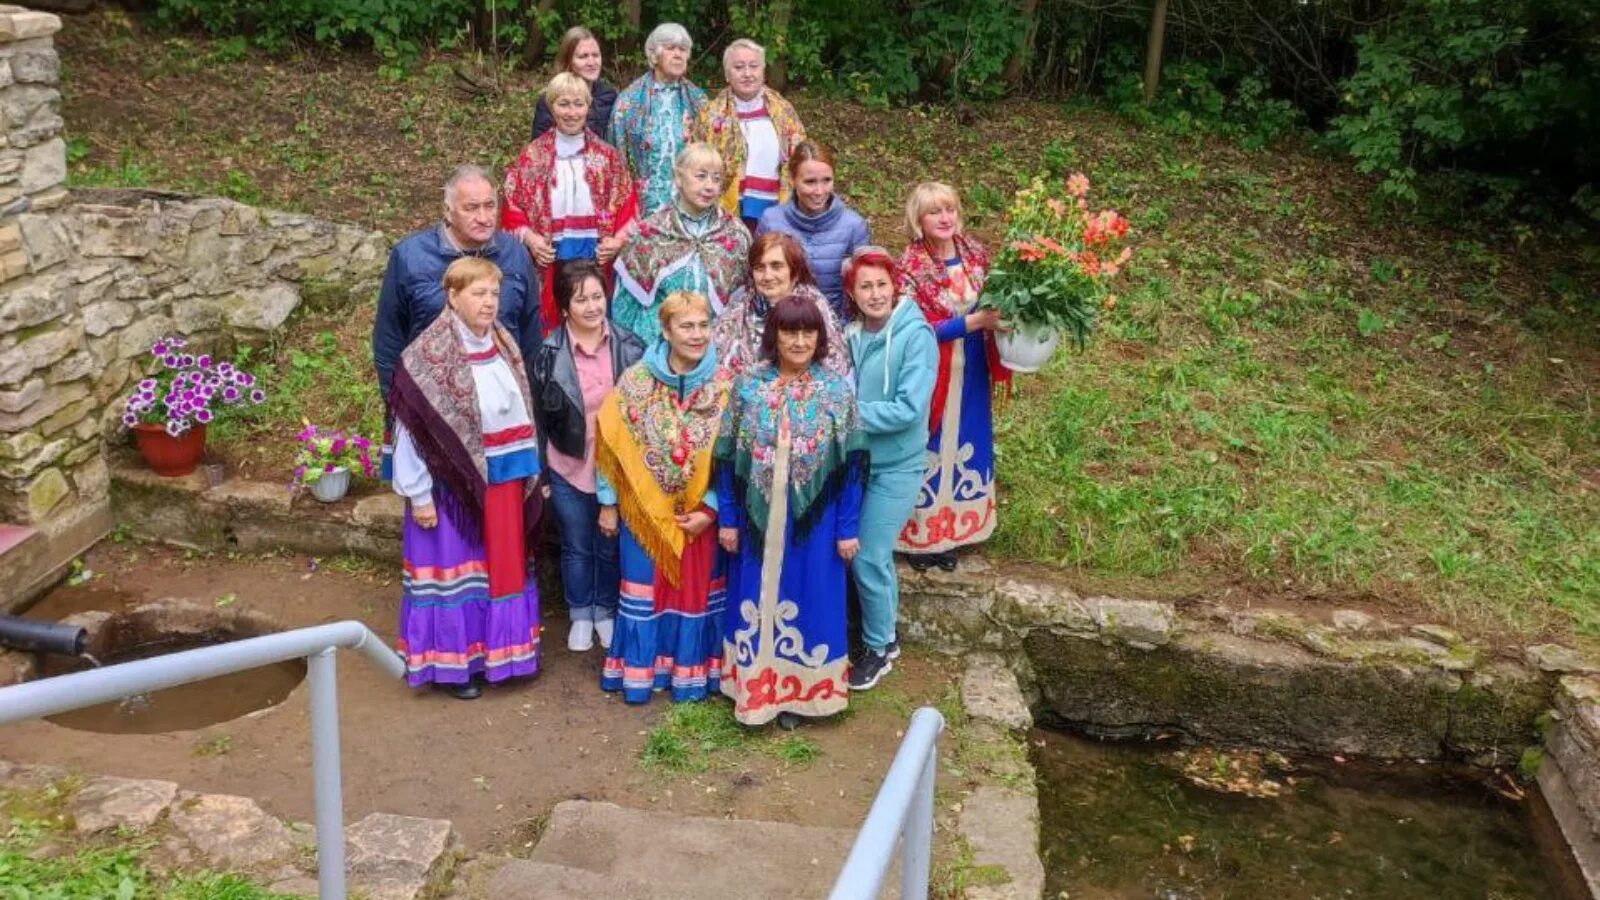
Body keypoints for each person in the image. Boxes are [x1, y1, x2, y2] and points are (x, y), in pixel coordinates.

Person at [388, 257, 543, 700]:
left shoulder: (503, 343)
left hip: (505, 478)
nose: (489, 302)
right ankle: (455, 669)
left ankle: (503, 657)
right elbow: (409, 431)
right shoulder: (426, 356)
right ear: (452, 297)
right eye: (478, 293)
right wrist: (419, 495)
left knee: (500, 572)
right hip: (452, 489)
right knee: (459, 574)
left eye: (494, 293)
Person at [716, 296, 866, 729]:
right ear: (774, 335)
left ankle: (802, 697)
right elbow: (726, 457)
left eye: (808, 332)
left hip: (814, 524)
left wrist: (847, 528)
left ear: (820, 337)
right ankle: (754, 691)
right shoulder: (748, 386)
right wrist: (727, 516)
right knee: (755, 598)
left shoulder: (836, 391)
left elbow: (852, 466)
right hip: (754, 517)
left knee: (809, 596)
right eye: (789, 331)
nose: (799, 341)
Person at [597, 291, 734, 704]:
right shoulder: (635, 382)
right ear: (666, 329)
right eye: (686, 326)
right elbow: (609, 444)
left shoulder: (726, 387)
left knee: (695, 592)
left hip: (699, 516)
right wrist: (608, 502)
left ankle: (689, 675)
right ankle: (642, 672)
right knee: (645, 589)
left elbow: (735, 459)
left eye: (703, 325)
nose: (697, 335)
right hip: (643, 512)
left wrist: (711, 508)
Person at [374, 165, 539, 475]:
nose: (484, 216)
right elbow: (388, 340)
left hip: (502, 418)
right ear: (448, 211)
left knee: (499, 515)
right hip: (433, 415)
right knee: (442, 516)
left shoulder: (515, 254)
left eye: (490, 205)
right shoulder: (410, 257)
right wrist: (399, 403)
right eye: (471, 208)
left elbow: (530, 335)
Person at [529, 261, 645, 652]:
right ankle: (581, 613)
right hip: (569, 464)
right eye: (582, 300)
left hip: (616, 467)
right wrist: (542, 474)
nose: (593, 307)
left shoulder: (629, 346)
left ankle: (606, 611)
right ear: (564, 307)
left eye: (597, 296)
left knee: (608, 543)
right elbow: (538, 419)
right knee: (577, 543)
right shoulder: (547, 352)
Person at [896, 182, 1010, 571]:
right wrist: (973, 321)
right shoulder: (909, 266)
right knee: (927, 442)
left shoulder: (976, 254)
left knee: (967, 439)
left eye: (950, 210)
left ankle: (954, 534)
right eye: (934, 212)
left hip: (974, 366)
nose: (945, 218)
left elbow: (999, 302)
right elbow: (916, 330)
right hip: (933, 367)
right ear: (919, 219)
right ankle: (918, 534)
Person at [841, 247, 936, 690]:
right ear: (853, 293)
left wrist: (845, 413)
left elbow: (908, 408)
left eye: (881, 284)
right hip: (855, 462)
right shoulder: (851, 336)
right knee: (852, 552)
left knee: (871, 554)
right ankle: (880, 638)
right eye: (866, 286)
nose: (875, 294)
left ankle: (879, 647)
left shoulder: (917, 336)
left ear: (894, 285)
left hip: (897, 465)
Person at [503, 73, 636, 335]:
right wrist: (530, 238)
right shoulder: (532, 156)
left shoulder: (608, 157)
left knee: (593, 318)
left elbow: (628, 205)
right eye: (563, 104)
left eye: (579, 104)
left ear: (588, 107)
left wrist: (617, 242)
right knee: (552, 328)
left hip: (596, 259)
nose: (572, 112)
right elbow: (511, 204)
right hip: (550, 260)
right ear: (551, 107)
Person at [612, 143, 749, 345]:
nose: (710, 186)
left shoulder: (735, 235)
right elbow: (624, 305)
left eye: (716, 178)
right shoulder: (650, 231)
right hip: (655, 347)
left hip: (715, 347)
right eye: (701, 176)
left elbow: (743, 303)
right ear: (679, 178)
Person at [692, 38, 806, 233]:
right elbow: (695, 162)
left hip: (774, 206)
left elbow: (800, 156)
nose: (747, 74)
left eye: (754, 66)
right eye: (738, 67)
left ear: (763, 72)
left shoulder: (783, 111)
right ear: (727, 75)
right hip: (726, 207)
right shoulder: (710, 115)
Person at [756, 141, 870, 319]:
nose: (819, 191)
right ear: (793, 180)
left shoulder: (854, 226)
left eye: (827, 181)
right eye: (810, 182)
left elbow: (864, 288)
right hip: (781, 324)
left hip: (836, 327)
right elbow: (758, 279)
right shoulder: (771, 221)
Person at [711, 231, 849, 378]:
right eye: (759, 267)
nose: (767, 276)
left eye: (776, 266)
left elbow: (834, 366)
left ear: (794, 272)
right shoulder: (739, 308)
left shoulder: (815, 308)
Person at [609, 23, 706, 216]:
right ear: (654, 55)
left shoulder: (699, 101)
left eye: (683, 49)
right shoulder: (629, 101)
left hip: (689, 207)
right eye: (671, 48)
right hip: (643, 210)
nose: (678, 54)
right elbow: (616, 159)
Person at [530, 26, 617, 141]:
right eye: (583, 56)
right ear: (568, 60)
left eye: (596, 55)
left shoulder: (609, 96)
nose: (592, 62)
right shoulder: (551, 99)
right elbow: (539, 148)